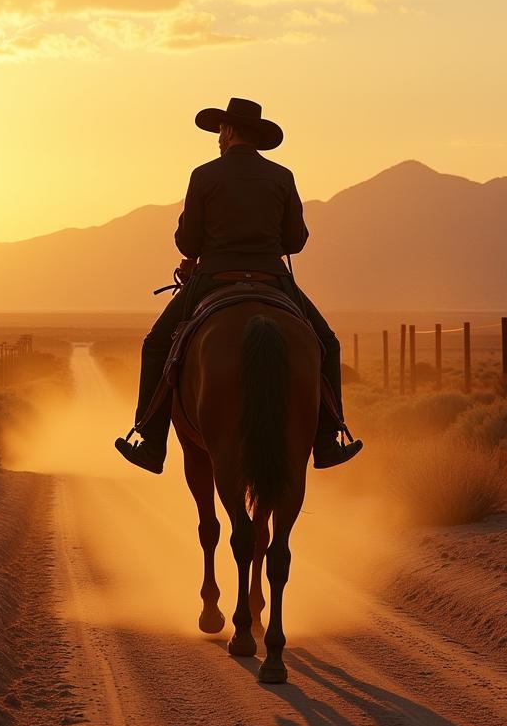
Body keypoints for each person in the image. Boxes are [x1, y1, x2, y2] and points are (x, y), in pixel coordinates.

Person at [114, 97, 362, 475]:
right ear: (255, 136)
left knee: (157, 344)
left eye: (219, 131)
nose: (217, 138)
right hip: (273, 278)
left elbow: (189, 243)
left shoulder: (204, 175)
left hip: (213, 277)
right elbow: (296, 241)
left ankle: (150, 441)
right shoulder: (282, 176)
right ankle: (329, 440)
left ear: (228, 131)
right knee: (326, 343)